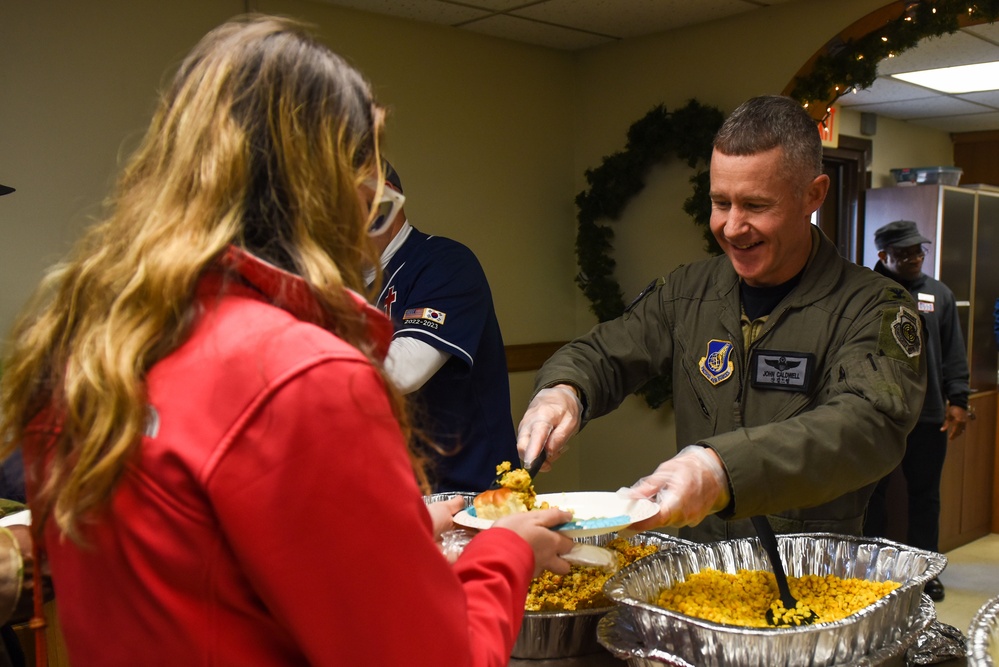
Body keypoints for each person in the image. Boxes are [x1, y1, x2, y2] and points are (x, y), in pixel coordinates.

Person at [0, 16, 574, 666]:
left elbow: (209, 563)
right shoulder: (301, 372)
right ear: (326, 186)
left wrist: (406, 530)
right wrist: (506, 553)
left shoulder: (90, 340)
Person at [516, 95, 927, 543]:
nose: (732, 227)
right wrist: (564, 392)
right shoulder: (686, 291)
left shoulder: (875, 306)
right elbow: (605, 353)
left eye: (755, 205)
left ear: (814, 195)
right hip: (697, 569)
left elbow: (868, 426)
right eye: (720, 203)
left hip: (808, 573)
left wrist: (720, 468)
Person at [366, 162, 519, 492]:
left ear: (383, 207)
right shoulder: (341, 285)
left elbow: (402, 371)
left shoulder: (444, 263)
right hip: (402, 493)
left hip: (475, 493)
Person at [863, 219, 970, 601]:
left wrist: (958, 400)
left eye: (918, 251)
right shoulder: (865, 290)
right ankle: (868, 570)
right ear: (882, 255)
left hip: (926, 415)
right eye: (904, 253)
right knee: (871, 494)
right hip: (877, 414)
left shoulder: (938, 294)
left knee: (925, 496)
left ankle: (927, 573)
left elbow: (954, 351)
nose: (914, 259)